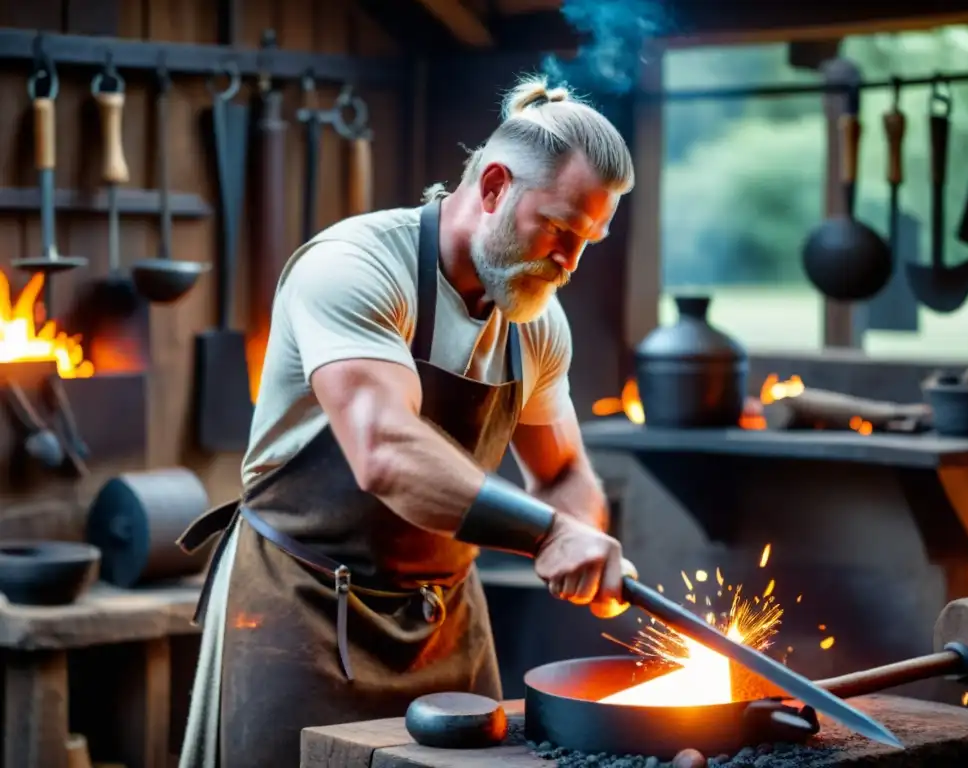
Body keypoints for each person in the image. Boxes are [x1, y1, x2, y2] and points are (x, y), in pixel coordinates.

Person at [176, 75, 636, 768]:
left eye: (589, 240)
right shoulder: (354, 267)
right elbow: (385, 451)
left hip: (442, 622)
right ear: (493, 187)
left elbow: (562, 470)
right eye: (560, 229)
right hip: (300, 607)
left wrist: (581, 537)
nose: (570, 262)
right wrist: (547, 533)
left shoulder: (534, 321)